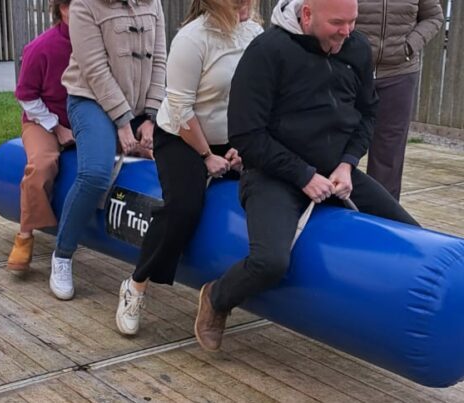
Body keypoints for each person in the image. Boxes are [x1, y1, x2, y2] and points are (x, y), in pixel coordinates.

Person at [194, 0, 421, 352]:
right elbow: (247, 135)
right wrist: (303, 175)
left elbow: (368, 113)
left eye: (352, 21)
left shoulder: (356, 47)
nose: (347, 31)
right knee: (270, 263)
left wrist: (348, 163)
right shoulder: (267, 51)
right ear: (307, 14)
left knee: (413, 238)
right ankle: (217, 297)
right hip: (273, 174)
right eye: (337, 23)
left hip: (336, 172)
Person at [115, 0, 264, 336]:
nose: (247, 5)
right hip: (181, 136)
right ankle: (136, 284)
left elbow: (258, 97)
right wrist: (207, 155)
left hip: (232, 139)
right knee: (183, 206)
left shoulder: (255, 34)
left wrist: (243, 146)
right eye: (238, 0)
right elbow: (181, 109)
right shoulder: (192, 39)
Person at [50, 0, 167, 300]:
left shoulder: (153, 2)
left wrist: (152, 117)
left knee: (175, 156)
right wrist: (123, 122)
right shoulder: (84, 5)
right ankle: (62, 254)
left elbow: (159, 62)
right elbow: (95, 70)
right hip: (91, 100)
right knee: (95, 174)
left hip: (140, 106)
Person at [7, 0, 74, 272]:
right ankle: (25, 235)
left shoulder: (96, 45)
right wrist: (57, 127)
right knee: (42, 165)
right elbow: (26, 97)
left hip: (84, 120)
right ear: (62, 9)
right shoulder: (41, 47)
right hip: (42, 121)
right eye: (76, 5)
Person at [357, 0, 444, 200]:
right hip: (351, 70)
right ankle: (328, 207)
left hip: (399, 74)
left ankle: (382, 211)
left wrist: (409, 46)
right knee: (335, 141)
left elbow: (434, 16)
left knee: (389, 150)